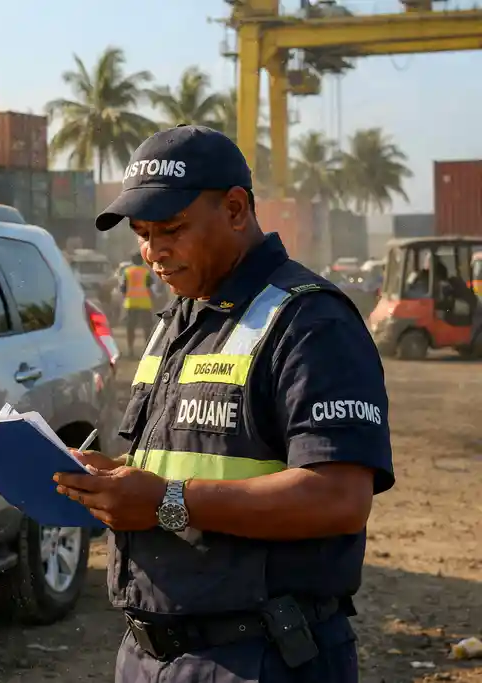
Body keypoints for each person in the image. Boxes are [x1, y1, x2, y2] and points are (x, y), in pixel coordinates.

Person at [52, 125, 395, 683]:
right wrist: (114, 479)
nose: (153, 252)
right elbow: (191, 459)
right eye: (142, 234)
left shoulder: (311, 322)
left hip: (260, 658)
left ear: (235, 210)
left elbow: (339, 497)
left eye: (171, 229)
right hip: (148, 656)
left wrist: (164, 502)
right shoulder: (180, 320)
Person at [120, 252, 155, 357]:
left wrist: (125, 298)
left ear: (132, 261)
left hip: (131, 303)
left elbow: (123, 288)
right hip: (144, 303)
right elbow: (150, 287)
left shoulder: (127, 272)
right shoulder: (146, 272)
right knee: (147, 327)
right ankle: (148, 350)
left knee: (130, 327)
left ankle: (130, 349)